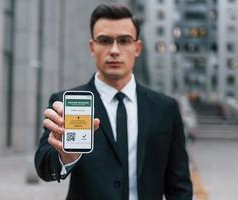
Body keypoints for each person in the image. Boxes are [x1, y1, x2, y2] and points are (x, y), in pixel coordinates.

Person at [34, 3, 192, 200]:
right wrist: (66, 156)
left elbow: (179, 185)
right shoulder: (66, 104)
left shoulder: (165, 108)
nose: (115, 50)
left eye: (124, 40)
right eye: (105, 40)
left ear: (137, 47)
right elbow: (43, 166)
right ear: (92, 47)